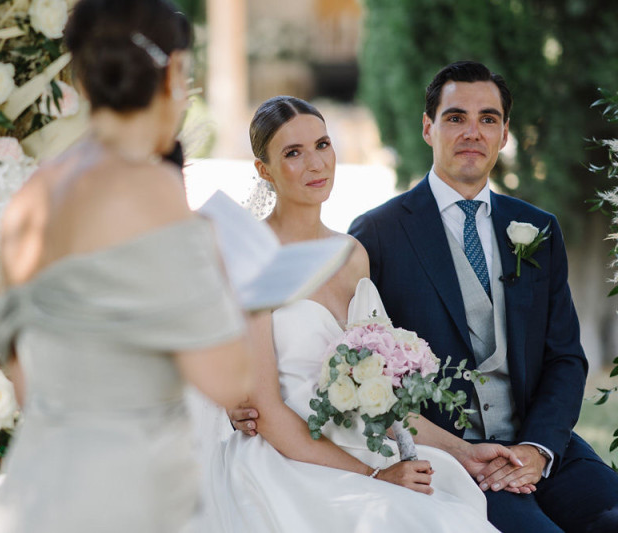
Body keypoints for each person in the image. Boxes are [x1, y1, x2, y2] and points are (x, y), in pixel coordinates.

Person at [0, 1, 251, 531]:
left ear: (82, 78)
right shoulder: (150, 189)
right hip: (123, 496)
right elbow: (228, 379)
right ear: (175, 71)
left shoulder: (32, 195)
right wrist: (219, 264)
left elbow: (24, 384)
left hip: (35, 489)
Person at [211, 95, 507, 532]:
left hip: (363, 444)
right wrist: (374, 477)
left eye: (323, 144)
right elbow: (268, 412)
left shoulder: (352, 254)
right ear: (263, 170)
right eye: (293, 153)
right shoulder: (252, 261)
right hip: (288, 458)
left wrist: (464, 453)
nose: (316, 164)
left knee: (453, 499)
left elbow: (382, 394)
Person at [346, 61, 618, 532]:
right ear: (428, 127)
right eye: (456, 118)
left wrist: (537, 449)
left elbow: (565, 359)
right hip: (451, 462)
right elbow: (354, 364)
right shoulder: (377, 234)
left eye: (487, 119)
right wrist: (457, 452)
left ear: (505, 133)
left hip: (542, 450)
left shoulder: (539, 229)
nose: (473, 132)